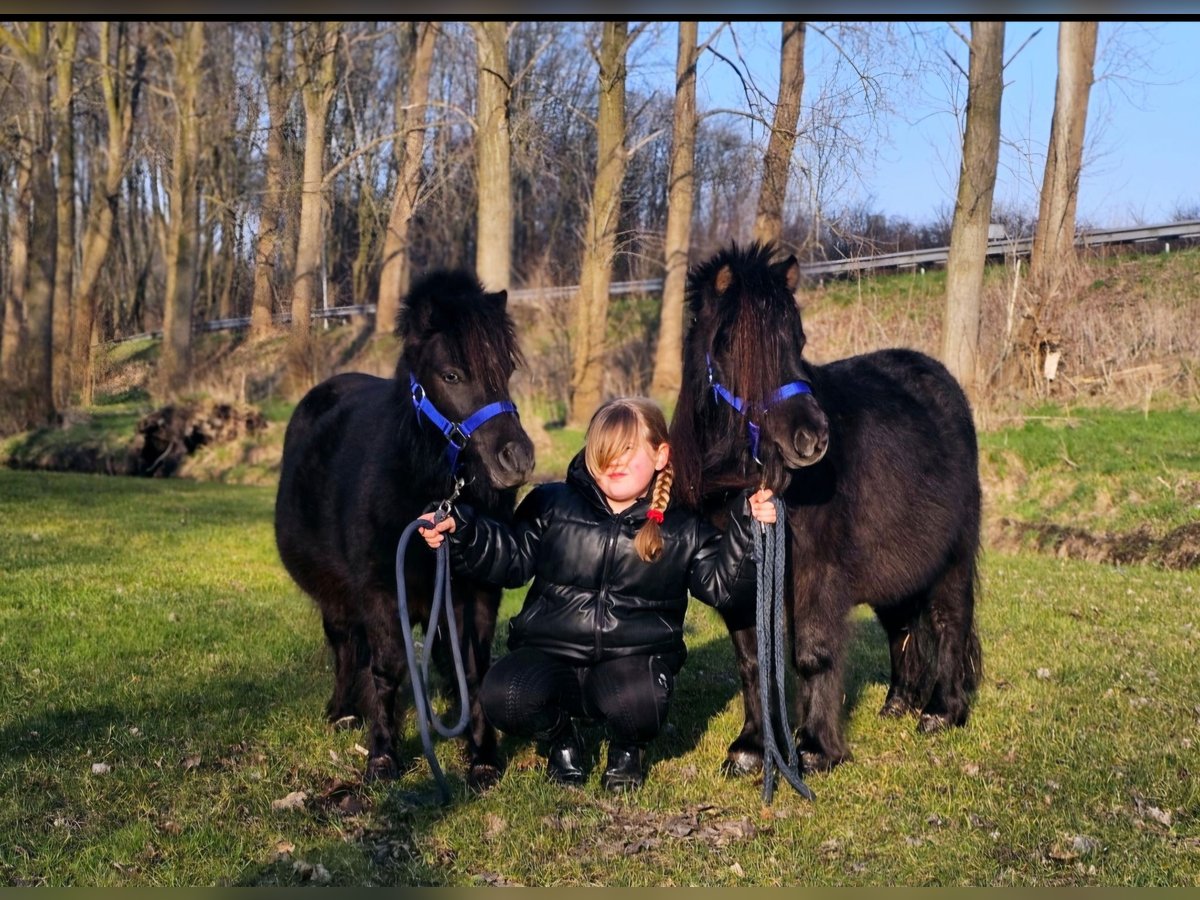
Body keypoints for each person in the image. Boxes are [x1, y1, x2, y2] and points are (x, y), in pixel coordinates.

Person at [420, 396, 777, 791]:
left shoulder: (683, 526)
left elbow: (724, 589)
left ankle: (627, 748)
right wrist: (463, 530)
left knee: (642, 702)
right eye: (603, 450)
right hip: (551, 656)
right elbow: (511, 559)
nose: (614, 462)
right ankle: (561, 738)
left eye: (627, 449)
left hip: (631, 664)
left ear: (660, 455)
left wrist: (748, 528)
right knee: (502, 693)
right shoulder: (551, 503)